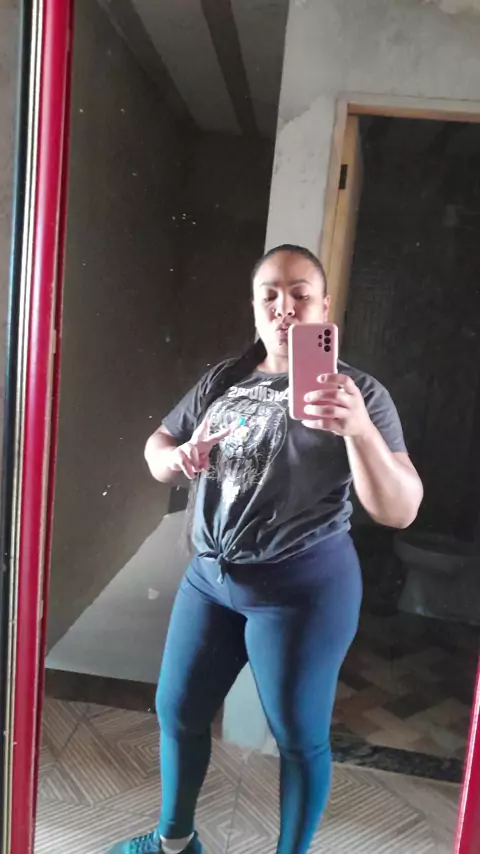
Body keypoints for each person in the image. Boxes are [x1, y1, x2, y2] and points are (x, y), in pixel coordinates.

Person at [109, 245, 423, 854]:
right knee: (177, 711)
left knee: (299, 739)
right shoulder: (224, 379)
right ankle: (174, 843)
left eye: (300, 295)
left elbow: (400, 508)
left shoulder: (358, 392)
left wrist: (358, 430)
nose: (285, 308)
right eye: (270, 296)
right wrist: (175, 460)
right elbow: (158, 445)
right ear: (255, 308)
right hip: (210, 580)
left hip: (302, 591)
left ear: (324, 307)